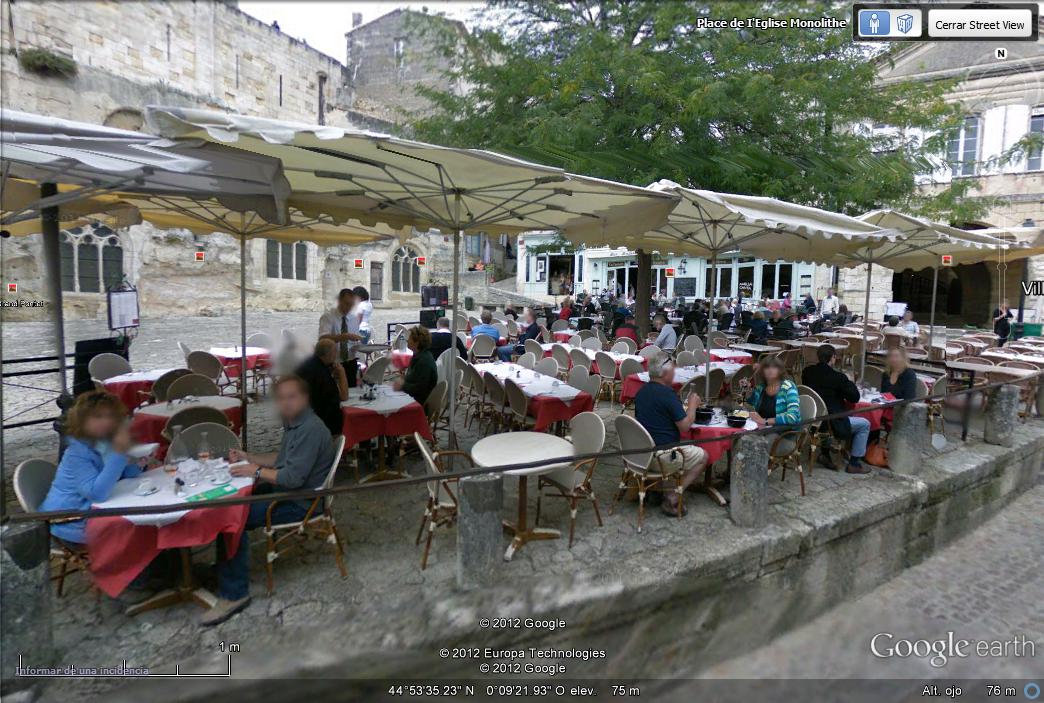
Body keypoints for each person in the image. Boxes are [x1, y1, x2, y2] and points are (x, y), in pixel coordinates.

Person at [208, 376, 336, 626]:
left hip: (301, 503)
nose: (286, 403)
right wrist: (249, 457)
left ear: (305, 398)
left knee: (234, 517)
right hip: (291, 493)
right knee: (232, 501)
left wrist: (254, 471)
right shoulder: (296, 423)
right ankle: (227, 564)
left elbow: (291, 478)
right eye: (281, 398)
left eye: (292, 396)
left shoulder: (310, 429)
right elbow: (281, 459)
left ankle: (234, 594)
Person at [633, 359, 709, 516]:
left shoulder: (641, 392)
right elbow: (685, 426)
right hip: (661, 458)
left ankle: (657, 489)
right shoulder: (667, 394)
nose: (675, 372)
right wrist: (693, 405)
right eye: (673, 370)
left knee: (678, 442)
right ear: (664, 373)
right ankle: (673, 495)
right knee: (704, 456)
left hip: (639, 455)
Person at [801, 344, 872, 475]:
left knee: (829, 410)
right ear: (833, 358)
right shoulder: (838, 377)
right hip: (830, 423)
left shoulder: (807, 372)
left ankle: (825, 454)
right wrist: (849, 380)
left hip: (810, 417)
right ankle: (854, 463)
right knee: (865, 424)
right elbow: (854, 398)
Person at [295, 339, 349, 435]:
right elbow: (344, 396)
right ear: (329, 354)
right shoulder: (321, 372)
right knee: (345, 415)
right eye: (335, 352)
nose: (337, 355)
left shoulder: (310, 363)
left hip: (301, 414)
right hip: (321, 421)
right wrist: (342, 373)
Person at [319, 288, 362, 388]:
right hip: (333, 363)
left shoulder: (354, 318)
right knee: (335, 392)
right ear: (339, 301)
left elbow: (355, 340)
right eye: (346, 304)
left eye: (351, 305)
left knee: (351, 392)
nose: (349, 307)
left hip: (351, 361)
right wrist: (345, 336)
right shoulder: (328, 317)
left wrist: (359, 345)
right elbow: (322, 339)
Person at [746, 357, 801, 429]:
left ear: (780, 370)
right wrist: (747, 389)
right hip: (760, 427)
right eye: (766, 367)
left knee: (745, 438)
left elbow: (792, 418)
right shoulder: (761, 387)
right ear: (762, 371)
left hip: (783, 431)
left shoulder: (788, 387)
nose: (770, 370)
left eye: (774, 367)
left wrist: (765, 421)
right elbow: (750, 403)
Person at [394, 326, 439, 404]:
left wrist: (402, 385)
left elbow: (420, 389)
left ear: (417, 342)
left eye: (410, 338)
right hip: (413, 398)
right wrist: (405, 378)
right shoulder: (419, 355)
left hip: (419, 403)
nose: (407, 340)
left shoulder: (424, 361)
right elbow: (415, 379)